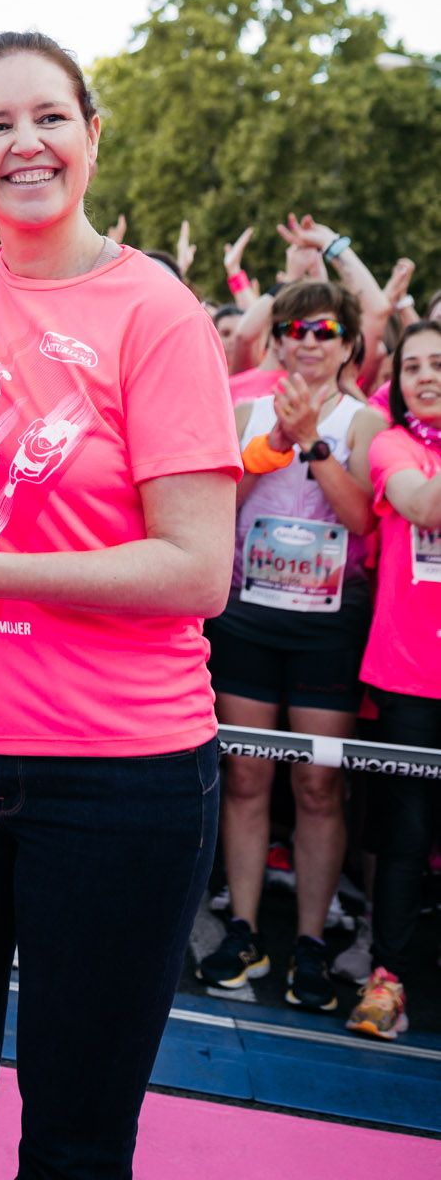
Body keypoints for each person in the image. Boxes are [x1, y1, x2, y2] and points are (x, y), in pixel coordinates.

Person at [0, 29, 240, 1180]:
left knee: (76, 1129)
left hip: (120, 775)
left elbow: (194, 571)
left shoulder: (155, 312)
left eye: (50, 117)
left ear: (90, 135)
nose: (26, 143)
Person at [196, 279, 383, 1009]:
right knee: (245, 776)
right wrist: (270, 446)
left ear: (346, 345)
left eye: (324, 329)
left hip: (327, 628)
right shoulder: (240, 409)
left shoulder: (361, 422)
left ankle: (309, 938)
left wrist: (311, 443)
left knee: (316, 784)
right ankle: (241, 929)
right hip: (246, 616)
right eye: (294, 329)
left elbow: (363, 520)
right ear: (276, 340)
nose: (307, 340)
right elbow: (216, 507)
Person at [345, 320, 441, 1039]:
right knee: (404, 838)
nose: (424, 376)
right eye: (411, 366)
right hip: (412, 674)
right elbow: (421, 506)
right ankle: (388, 980)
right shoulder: (390, 444)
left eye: (437, 363)